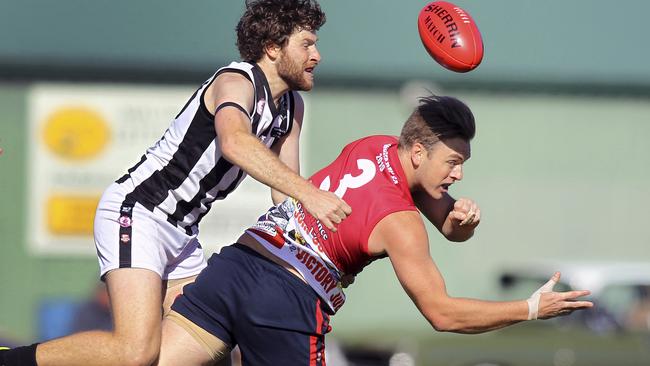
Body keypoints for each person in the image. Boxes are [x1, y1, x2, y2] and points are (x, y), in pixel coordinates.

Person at [1, 1, 351, 366]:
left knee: (211, 347)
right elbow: (235, 143)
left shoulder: (291, 105)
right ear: (273, 48)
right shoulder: (236, 82)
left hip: (182, 236)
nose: (317, 55)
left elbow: (285, 194)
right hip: (138, 213)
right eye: (307, 44)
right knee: (135, 351)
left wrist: (324, 252)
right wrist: (311, 194)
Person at [153, 95, 594, 365]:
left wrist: (461, 225)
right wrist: (530, 309)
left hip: (239, 263)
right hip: (285, 297)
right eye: (453, 163)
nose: (458, 175)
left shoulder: (376, 144)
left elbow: (448, 224)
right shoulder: (401, 223)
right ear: (419, 153)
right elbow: (442, 314)